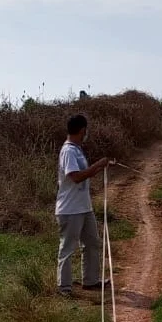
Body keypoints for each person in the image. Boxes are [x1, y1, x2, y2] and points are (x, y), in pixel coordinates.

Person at [55, 114, 111, 295]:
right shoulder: (68, 151)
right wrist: (97, 166)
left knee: (92, 243)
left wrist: (97, 168)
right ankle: (64, 287)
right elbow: (76, 177)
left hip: (84, 207)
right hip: (70, 209)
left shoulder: (77, 149)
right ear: (82, 130)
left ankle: (91, 280)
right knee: (68, 248)